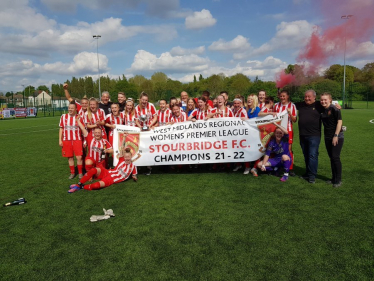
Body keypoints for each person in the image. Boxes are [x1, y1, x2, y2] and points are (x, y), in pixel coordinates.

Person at [68, 148, 137, 193]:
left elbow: (134, 175)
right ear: (124, 157)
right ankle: (79, 184)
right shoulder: (122, 160)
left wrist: (134, 177)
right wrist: (124, 137)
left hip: (111, 179)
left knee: (96, 186)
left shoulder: (133, 167)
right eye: (126, 157)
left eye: (128, 157)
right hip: (107, 172)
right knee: (94, 170)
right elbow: (122, 149)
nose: (127, 158)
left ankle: (81, 187)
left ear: (131, 157)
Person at [294, 90, 324, 183]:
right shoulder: (300, 105)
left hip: (314, 135)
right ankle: (308, 173)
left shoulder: (319, 105)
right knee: (306, 155)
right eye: (305, 96)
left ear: (314, 97)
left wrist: (337, 107)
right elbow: (287, 104)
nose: (307, 98)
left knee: (312, 155)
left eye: (309, 97)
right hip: (302, 135)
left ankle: (312, 176)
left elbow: (329, 106)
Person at [320, 93, 344, 187]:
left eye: (325, 99)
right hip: (327, 137)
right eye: (321, 100)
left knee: (335, 157)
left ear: (330, 100)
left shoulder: (335, 108)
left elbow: (339, 122)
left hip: (337, 136)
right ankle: (333, 178)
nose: (323, 101)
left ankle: (338, 180)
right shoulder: (322, 109)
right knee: (331, 158)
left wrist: (336, 135)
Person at [273, 90, 297, 176]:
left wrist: (290, 113)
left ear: (287, 97)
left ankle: (290, 168)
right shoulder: (276, 105)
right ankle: (279, 167)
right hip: (278, 130)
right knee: (278, 149)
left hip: (288, 130)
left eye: (284, 96)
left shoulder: (292, 106)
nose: (282, 98)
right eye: (281, 96)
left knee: (288, 149)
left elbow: (294, 120)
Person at [59, 102, 84, 179]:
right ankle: (72, 173)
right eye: (69, 108)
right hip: (67, 140)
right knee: (70, 157)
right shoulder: (63, 117)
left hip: (77, 139)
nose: (70, 109)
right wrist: (60, 140)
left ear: (76, 109)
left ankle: (80, 173)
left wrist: (85, 141)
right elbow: (61, 128)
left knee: (79, 157)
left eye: (72, 108)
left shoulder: (79, 117)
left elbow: (83, 129)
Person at [241, 94, 261, 175]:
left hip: (254, 133)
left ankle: (255, 167)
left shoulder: (257, 109)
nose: (249, 100)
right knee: (246, 149)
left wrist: (247, 119)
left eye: (251, 99)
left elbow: (257, 121)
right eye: (248, 99)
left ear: (255, 100)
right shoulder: (244, 109)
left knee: (256, 150)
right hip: (246, 133)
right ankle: (247, 166)